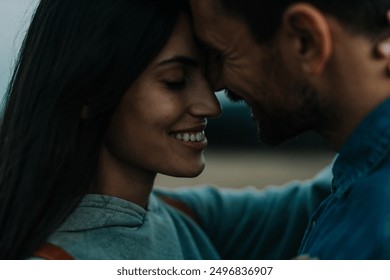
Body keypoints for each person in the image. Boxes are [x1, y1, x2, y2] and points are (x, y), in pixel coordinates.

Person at [0, 0, 331, 260]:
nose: (210, 106)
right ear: (88, 91)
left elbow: (326, 195)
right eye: (175, 81)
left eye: (204, 74)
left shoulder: (182, 217)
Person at [188, 0, 390, 259]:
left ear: (305, 41)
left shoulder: (371, 239)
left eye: (222, 54)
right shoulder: (355, 177)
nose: (214, 82)